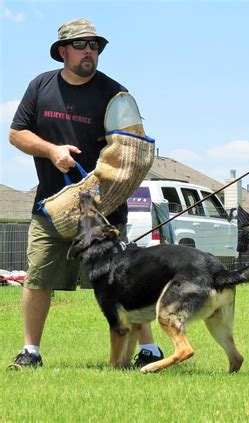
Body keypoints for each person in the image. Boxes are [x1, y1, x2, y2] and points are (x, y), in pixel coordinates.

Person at [7, 18, 163, 370]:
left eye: (94, 45)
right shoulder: (40, 86)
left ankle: (149, 349)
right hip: (50, 206)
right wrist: (51, 151)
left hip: (103, 212)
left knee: (123, 282)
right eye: (81, 45)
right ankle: (30, 351)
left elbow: (132, 151)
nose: (89, 51)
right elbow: (16, 134)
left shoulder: (115, 94)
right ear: (63, 51)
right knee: (38, 277)